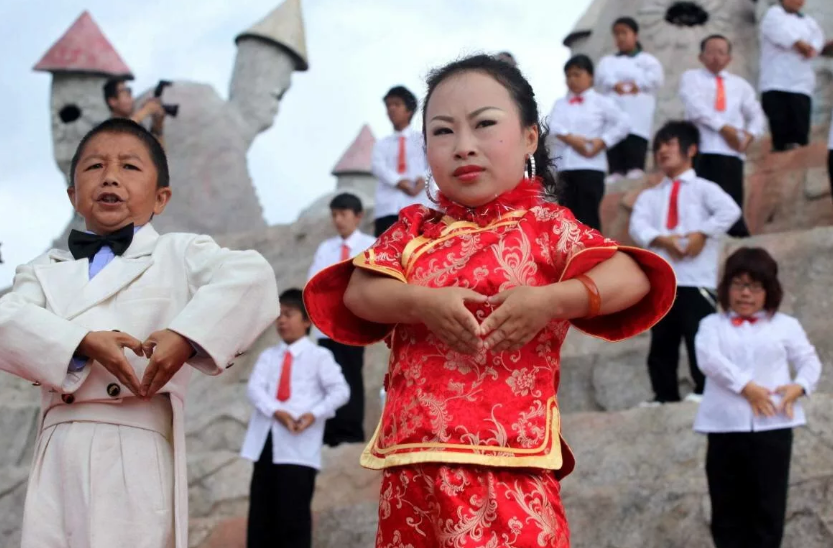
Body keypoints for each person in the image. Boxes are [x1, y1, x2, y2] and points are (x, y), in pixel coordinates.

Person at [304, 54, 675, 547]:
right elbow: (359, 292)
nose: (464, 147)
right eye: (442, 132)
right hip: (411, 471)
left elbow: (632, 276)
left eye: (484, 125)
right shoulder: (414, 228)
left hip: (511, 466)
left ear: (528, 138)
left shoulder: (548, 226)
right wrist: (421, 304)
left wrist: (551, 301)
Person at [0, 118, 277, 548]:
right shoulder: (42, 269)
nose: (110, 176)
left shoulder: (180, 252)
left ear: (161, 197)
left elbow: (252, 276)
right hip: (59, 446)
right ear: (73, 196)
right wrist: (84, 343)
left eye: (129, 167)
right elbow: (6, 319)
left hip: (139, 441)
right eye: (94, 167)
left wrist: (185, 336)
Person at [694, 247, 821, 548]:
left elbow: (810, 361)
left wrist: (799, 386)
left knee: (769, 508)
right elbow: (708, 359)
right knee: (726, 508)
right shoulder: (711, 325)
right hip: (725, 428)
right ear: (726, 288)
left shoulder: (786, 325)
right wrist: (745, 387)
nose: (745, 293)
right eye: (738, 284)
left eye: (755, 285)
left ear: (769, 290)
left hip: (773, 427)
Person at [629, 121, 741, 406]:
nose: (663, 150)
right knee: (662, 340)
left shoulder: (705, 188)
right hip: (664, 279)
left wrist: (701, 233)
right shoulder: (650, 195)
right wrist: (662, 239)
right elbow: (637, 225)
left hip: (697, 277)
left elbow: (731, 211)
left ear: (691, 149)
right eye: (659, 146)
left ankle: (705, 389)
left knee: (699, 336)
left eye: (670, 143)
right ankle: (663, 393)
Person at [241, 289, 349, 548]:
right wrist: (277, 411)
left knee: (294, 518)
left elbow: (340, 391)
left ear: (307, 320)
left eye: (289, 314)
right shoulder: (268, 356)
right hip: (266, 444)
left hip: (298, 447)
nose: (282, 321)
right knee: (261, 515)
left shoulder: (319, 356)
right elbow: (254, 389)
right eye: (279, 315)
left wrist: (314, 414)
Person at [306, 193, 376, 446]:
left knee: (351, 374)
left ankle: (350, 430)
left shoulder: (371, 244)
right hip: (327, 324)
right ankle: (329, 430)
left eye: (343, 214)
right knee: (327, 376)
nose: (338, 220)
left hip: (353, 322)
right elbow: (314, 282)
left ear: (358, 216)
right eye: (335, 215)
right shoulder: (326, 248)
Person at [679, 35, 765, 238]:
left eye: (721, 52)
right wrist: (725, 129)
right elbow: (695, 107)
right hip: (703, 149)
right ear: (701, 56)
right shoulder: (692, 77)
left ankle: (735, 235)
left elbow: (756, 113)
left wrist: (750, 135)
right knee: (702, 200)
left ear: (729, 58)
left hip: (732, 152)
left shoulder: (740, 85)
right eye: (710, 51)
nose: (716, 57)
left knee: (731, 199)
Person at [548, 54, 630, 230]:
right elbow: (552, 124)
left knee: (589, 217)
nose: (572, 79)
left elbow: (624, 123)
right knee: (566, 219)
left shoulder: (601, 102)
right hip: (564, 168)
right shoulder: (561, 103)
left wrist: (603, 141)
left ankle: (594, 255)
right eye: (568, 76)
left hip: (590, 167)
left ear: (590, 76)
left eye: (577, 74)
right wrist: (572, 139)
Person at [596, 16, 664, 183]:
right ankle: (615, 169)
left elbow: (656, 79)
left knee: (635, 135)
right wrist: (614, 84)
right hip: (615, 104)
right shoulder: (608, 61)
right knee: (614, 135)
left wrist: (638, 84)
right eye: (617, 34)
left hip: (638, 107)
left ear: (635, 35)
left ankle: (635, 166)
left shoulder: (647, 60)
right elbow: (601, 78)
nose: (620, 37)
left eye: (624, 33)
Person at [759, 0, 825, 152]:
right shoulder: (773, 14)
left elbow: (818, 37)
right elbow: (780, 33)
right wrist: (798, 44)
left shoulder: (808, 21)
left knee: (800, 129)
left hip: (801, 83)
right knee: (780, 125)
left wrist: (813, 47)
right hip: (776, 81)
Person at [371, 85, 429, 237]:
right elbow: (378, 167)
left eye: (396, 104)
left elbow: (434, 163)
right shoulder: (381, 144)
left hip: (418, 205)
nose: (391, 109)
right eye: (388, 105)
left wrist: (423, 179)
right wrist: (398, 181)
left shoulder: (423, 140)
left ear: (409, 110)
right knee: (384, 254)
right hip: (387, 208)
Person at [103, 77, 167, 145]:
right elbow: (119, 135)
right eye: (126, 93)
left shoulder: (138, 126)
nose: (131, 99)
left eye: (130, 92)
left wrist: (157, 127)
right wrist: (145, 111)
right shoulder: (105, 128)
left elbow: (158, 154)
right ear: (112, 101)